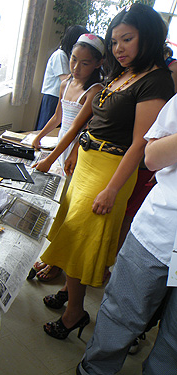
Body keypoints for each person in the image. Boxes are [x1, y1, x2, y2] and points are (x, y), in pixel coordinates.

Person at [39, 3, 174, 340]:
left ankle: (74, 313)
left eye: (126, 40)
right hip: (87, 161)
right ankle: (72, 294)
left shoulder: (156, 82)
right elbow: (95, 119)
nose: (119, 49)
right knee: (71, 234)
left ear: (149, 36)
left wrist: (112, 189)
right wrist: (74, 151)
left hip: (110, 170)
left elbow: (139, 144)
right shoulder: (124, 72)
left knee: (83, 239)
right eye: (114, 42)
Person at [76, 90, 177, 375]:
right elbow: (152, 157)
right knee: (121, 313)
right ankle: (94, 370)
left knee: (174, 339)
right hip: (158, 231)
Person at [28, 33, 105, 282]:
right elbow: (58, 118)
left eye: (84, 63)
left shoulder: (95, 91)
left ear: (97, 64)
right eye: (73, 59)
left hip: (78, 152)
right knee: (58, 204)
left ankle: (56, 262)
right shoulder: (65, 84)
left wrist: (53, 158)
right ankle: (53, 256)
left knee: (67, 206)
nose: (76, 67)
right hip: (62, 148)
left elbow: (78, 129)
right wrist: (38, 136)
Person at [35, 25, 89, 131]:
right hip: (53, 97)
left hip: (61, 97)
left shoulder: (68, 56)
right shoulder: (60, 55)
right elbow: (65, 79)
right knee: (47, 127)